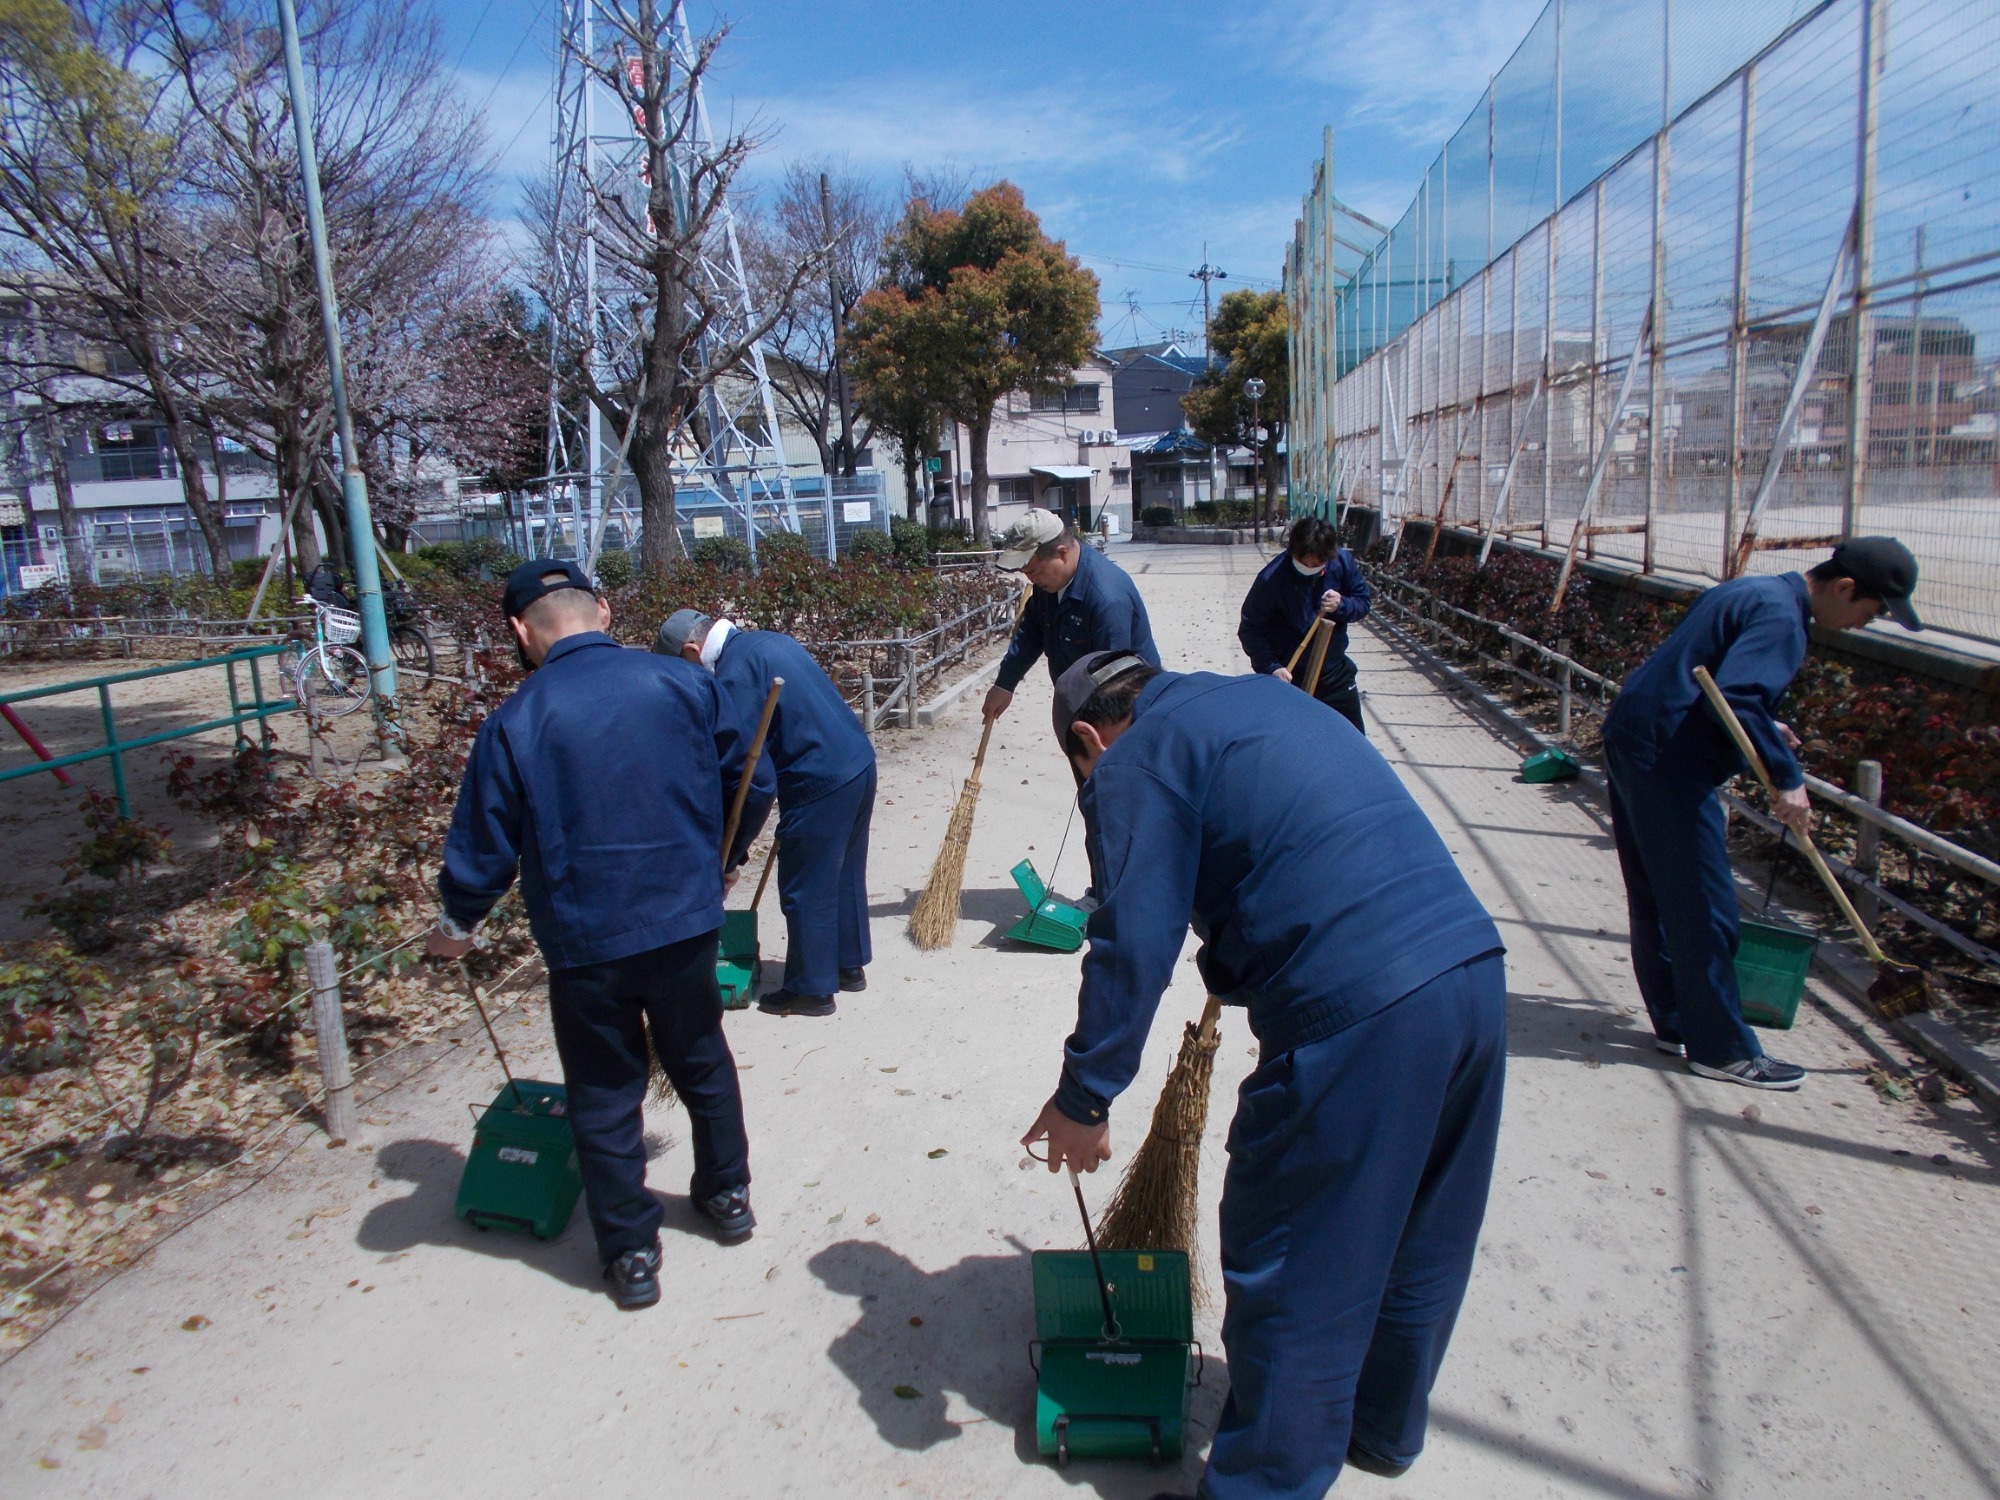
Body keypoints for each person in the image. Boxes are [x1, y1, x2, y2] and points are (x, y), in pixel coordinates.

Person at [1020, 650, 1507, 1497]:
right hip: (1469, 972)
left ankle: (1263, 1485)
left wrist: (1084, 1094)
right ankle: (1380, 1429)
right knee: (1420, 1226)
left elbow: (1132, 936)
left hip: (1362, 1013)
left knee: (1293, 1262)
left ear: (1089, 737)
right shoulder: (1245, 701)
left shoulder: (1136, 758)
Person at [427, 560, 775, 1311]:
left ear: (521, 631)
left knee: (605, 1088)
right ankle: (728, 1196)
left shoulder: (516, 720)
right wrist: (722, 856)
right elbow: (754, 776)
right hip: (683, 918)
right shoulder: (682, 685)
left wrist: (458, 921)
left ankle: (630, 1252)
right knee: (702, 1060)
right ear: (606, 611)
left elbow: (485, 843)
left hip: (586, 938)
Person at [1601, 537, 1922, 1091]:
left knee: (1657, 892)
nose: (1861, 626)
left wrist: (1765, 732)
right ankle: (1721, 1049)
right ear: (1845, 588)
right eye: (1868, 614)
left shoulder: (1752, 591)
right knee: (1708, 907)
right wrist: (1787, 778)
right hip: (1671, 759)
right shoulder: (1783, 618)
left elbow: (1711, 684)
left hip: (1637, 738)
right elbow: (1741, 695)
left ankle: (1678, 1020)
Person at [655, 609, 876, 1019]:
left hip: (819, 778)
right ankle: (847, 964)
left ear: (692, 650)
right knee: (842, 873)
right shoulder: (766, 642)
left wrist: (732, 854)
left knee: (804, 885)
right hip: (857, 762)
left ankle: (811, 989)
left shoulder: (734, 677)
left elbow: (751, 781)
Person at [982, 507, 1161, 740]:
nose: (1031, 579)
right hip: (1080, 701)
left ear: (1062, 553)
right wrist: (1005, 684)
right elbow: (1031, 633)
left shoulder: (1106, 598)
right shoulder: (1050, 583)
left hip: (1126, 715)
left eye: (1034, 571)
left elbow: (1116, 683)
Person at [1237, 515, 1373, 733]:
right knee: (1295, 741)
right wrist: (1271, 667)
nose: (1309, 566)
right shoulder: (1271, 579)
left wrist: (1342, 604)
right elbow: (1250, 628)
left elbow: (1363, 603)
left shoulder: (1342, 563)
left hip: (1334, 673)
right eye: (1303, 562)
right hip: (1291, 678)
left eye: (1317, 563)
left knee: (1352, 738)